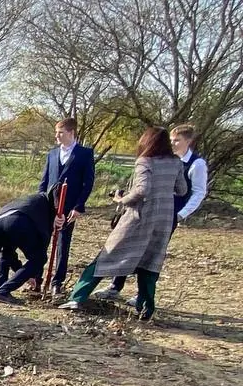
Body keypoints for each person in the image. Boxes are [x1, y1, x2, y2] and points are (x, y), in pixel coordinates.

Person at [59, 127, 185, 321]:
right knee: (150, 263)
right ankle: (146, 311)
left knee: (106, 256)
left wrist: (122, 199)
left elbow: (142, 190)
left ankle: (77, 297)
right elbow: (182, 189)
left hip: (139, 218)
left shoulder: (145, 161)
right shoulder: (176, 162)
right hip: (163, 220)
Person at [96, 123, 209, 302]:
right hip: (145, 212)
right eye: (171, 140)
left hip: (167, 215)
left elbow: (198, 192)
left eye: (177, 140)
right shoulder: (159, 158)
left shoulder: (196, 164)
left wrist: (181, 214)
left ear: (188, 141)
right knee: (128, 246)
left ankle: (142, 295)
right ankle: (115, 286)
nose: (173, 143)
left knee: (152, 253)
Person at [38, 117, 95, 295]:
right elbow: (44, 181)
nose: (57, 136)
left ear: (71, 133)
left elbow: (88, 183)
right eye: (56, 132)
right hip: (49, 206)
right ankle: (36, 278)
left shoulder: (85, 154)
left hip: (69, 208)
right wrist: (40, 201)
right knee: (42, 241)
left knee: (63, 244)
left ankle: (57, 282)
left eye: (60, 133)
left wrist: (78, 207)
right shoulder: (52, 154)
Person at [0, 191, 59, 304]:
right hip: (17, 221)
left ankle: (0, 288)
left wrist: (26, 275)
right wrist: (33, 276)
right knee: (39, 259)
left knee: (7, 252)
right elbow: (42, 248)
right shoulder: (47, 210)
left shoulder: (35, 199)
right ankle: (3, 291)